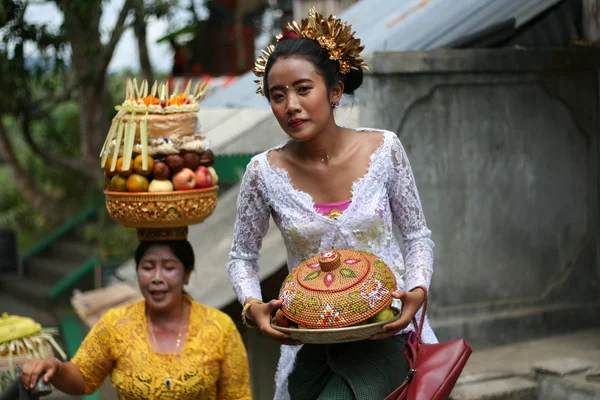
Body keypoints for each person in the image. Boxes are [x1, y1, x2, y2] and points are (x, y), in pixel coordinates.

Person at [226, 8, 438, 400]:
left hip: (388, 328)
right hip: (310, 340)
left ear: (335, 91)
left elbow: (417, 237)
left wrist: (417, 290)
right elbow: (241, 257)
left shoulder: (385, 149)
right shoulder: (262, 173)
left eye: (303, 89)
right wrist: (252, 305)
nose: (290, 105)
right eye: (277, 95)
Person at [21, 240, 252, 400]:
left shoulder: (219, 328)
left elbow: (237, 396)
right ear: (137, 272)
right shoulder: (115, 324)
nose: (157, 278)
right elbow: (82, 377)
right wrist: (56, 368)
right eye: (148, 268)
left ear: (187, 273)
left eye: (169, 268)